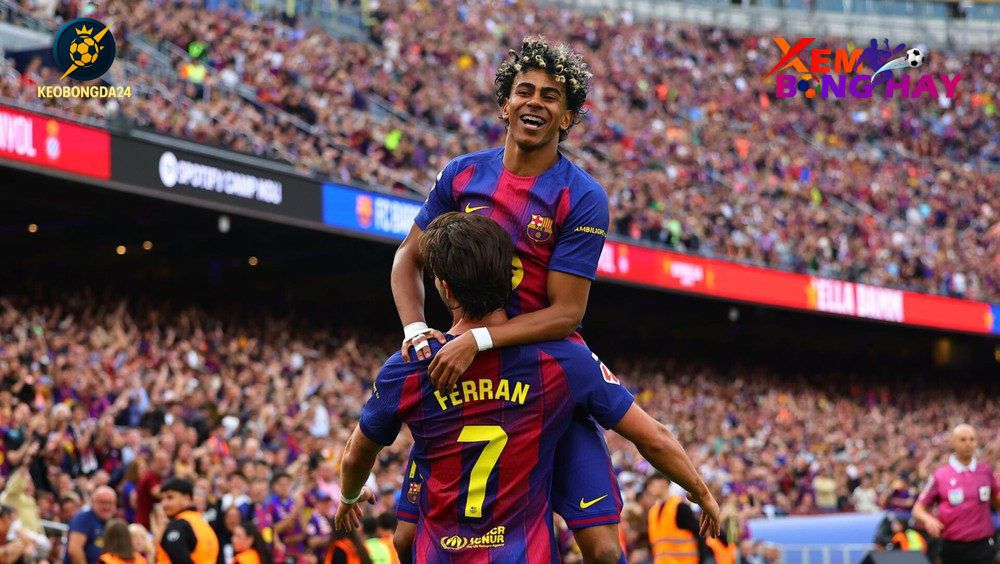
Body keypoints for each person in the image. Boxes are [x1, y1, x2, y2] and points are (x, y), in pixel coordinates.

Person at [339, 213, 719, 561]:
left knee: (405, 539)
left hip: (442, 553)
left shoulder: (407, 367)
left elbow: (357, 455)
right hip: (524, 554)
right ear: (511, 282)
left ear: (446, 290)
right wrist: (700, 492)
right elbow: (654, 438)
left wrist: (350, 495)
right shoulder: (562, 359)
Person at [390, 35, 627, 563]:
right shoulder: (464, 174)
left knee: (604, 551)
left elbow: (567, 313)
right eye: (525, 90)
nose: (534, 102)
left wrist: (479, 338)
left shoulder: (581, 195)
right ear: (505, 103)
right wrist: (415, 331)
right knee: (404, 539)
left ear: (568, 117)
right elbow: (408, 257)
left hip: (543, 372)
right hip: (466, 374)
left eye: (550, 96)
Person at [912, 424, 1000, 564]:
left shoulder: (986, 472)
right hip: (952, 547)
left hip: (983, 546)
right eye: (963, 439)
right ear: (952, 442)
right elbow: (918, 509)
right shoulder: (940, 475)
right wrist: (929, 520)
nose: (968, 443)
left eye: (972, 439)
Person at [153, 478, 220, 564]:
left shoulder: (179, 525)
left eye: (170, 497)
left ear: (187, 499)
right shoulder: (203, 524)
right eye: (162, 499)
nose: (164, 503)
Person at [65, 486, 117, 564]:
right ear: (92, 502)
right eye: (102, 502)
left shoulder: (113, 523)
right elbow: (74, 550)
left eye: (110, 503)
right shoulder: (83, 518)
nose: (106, 506)